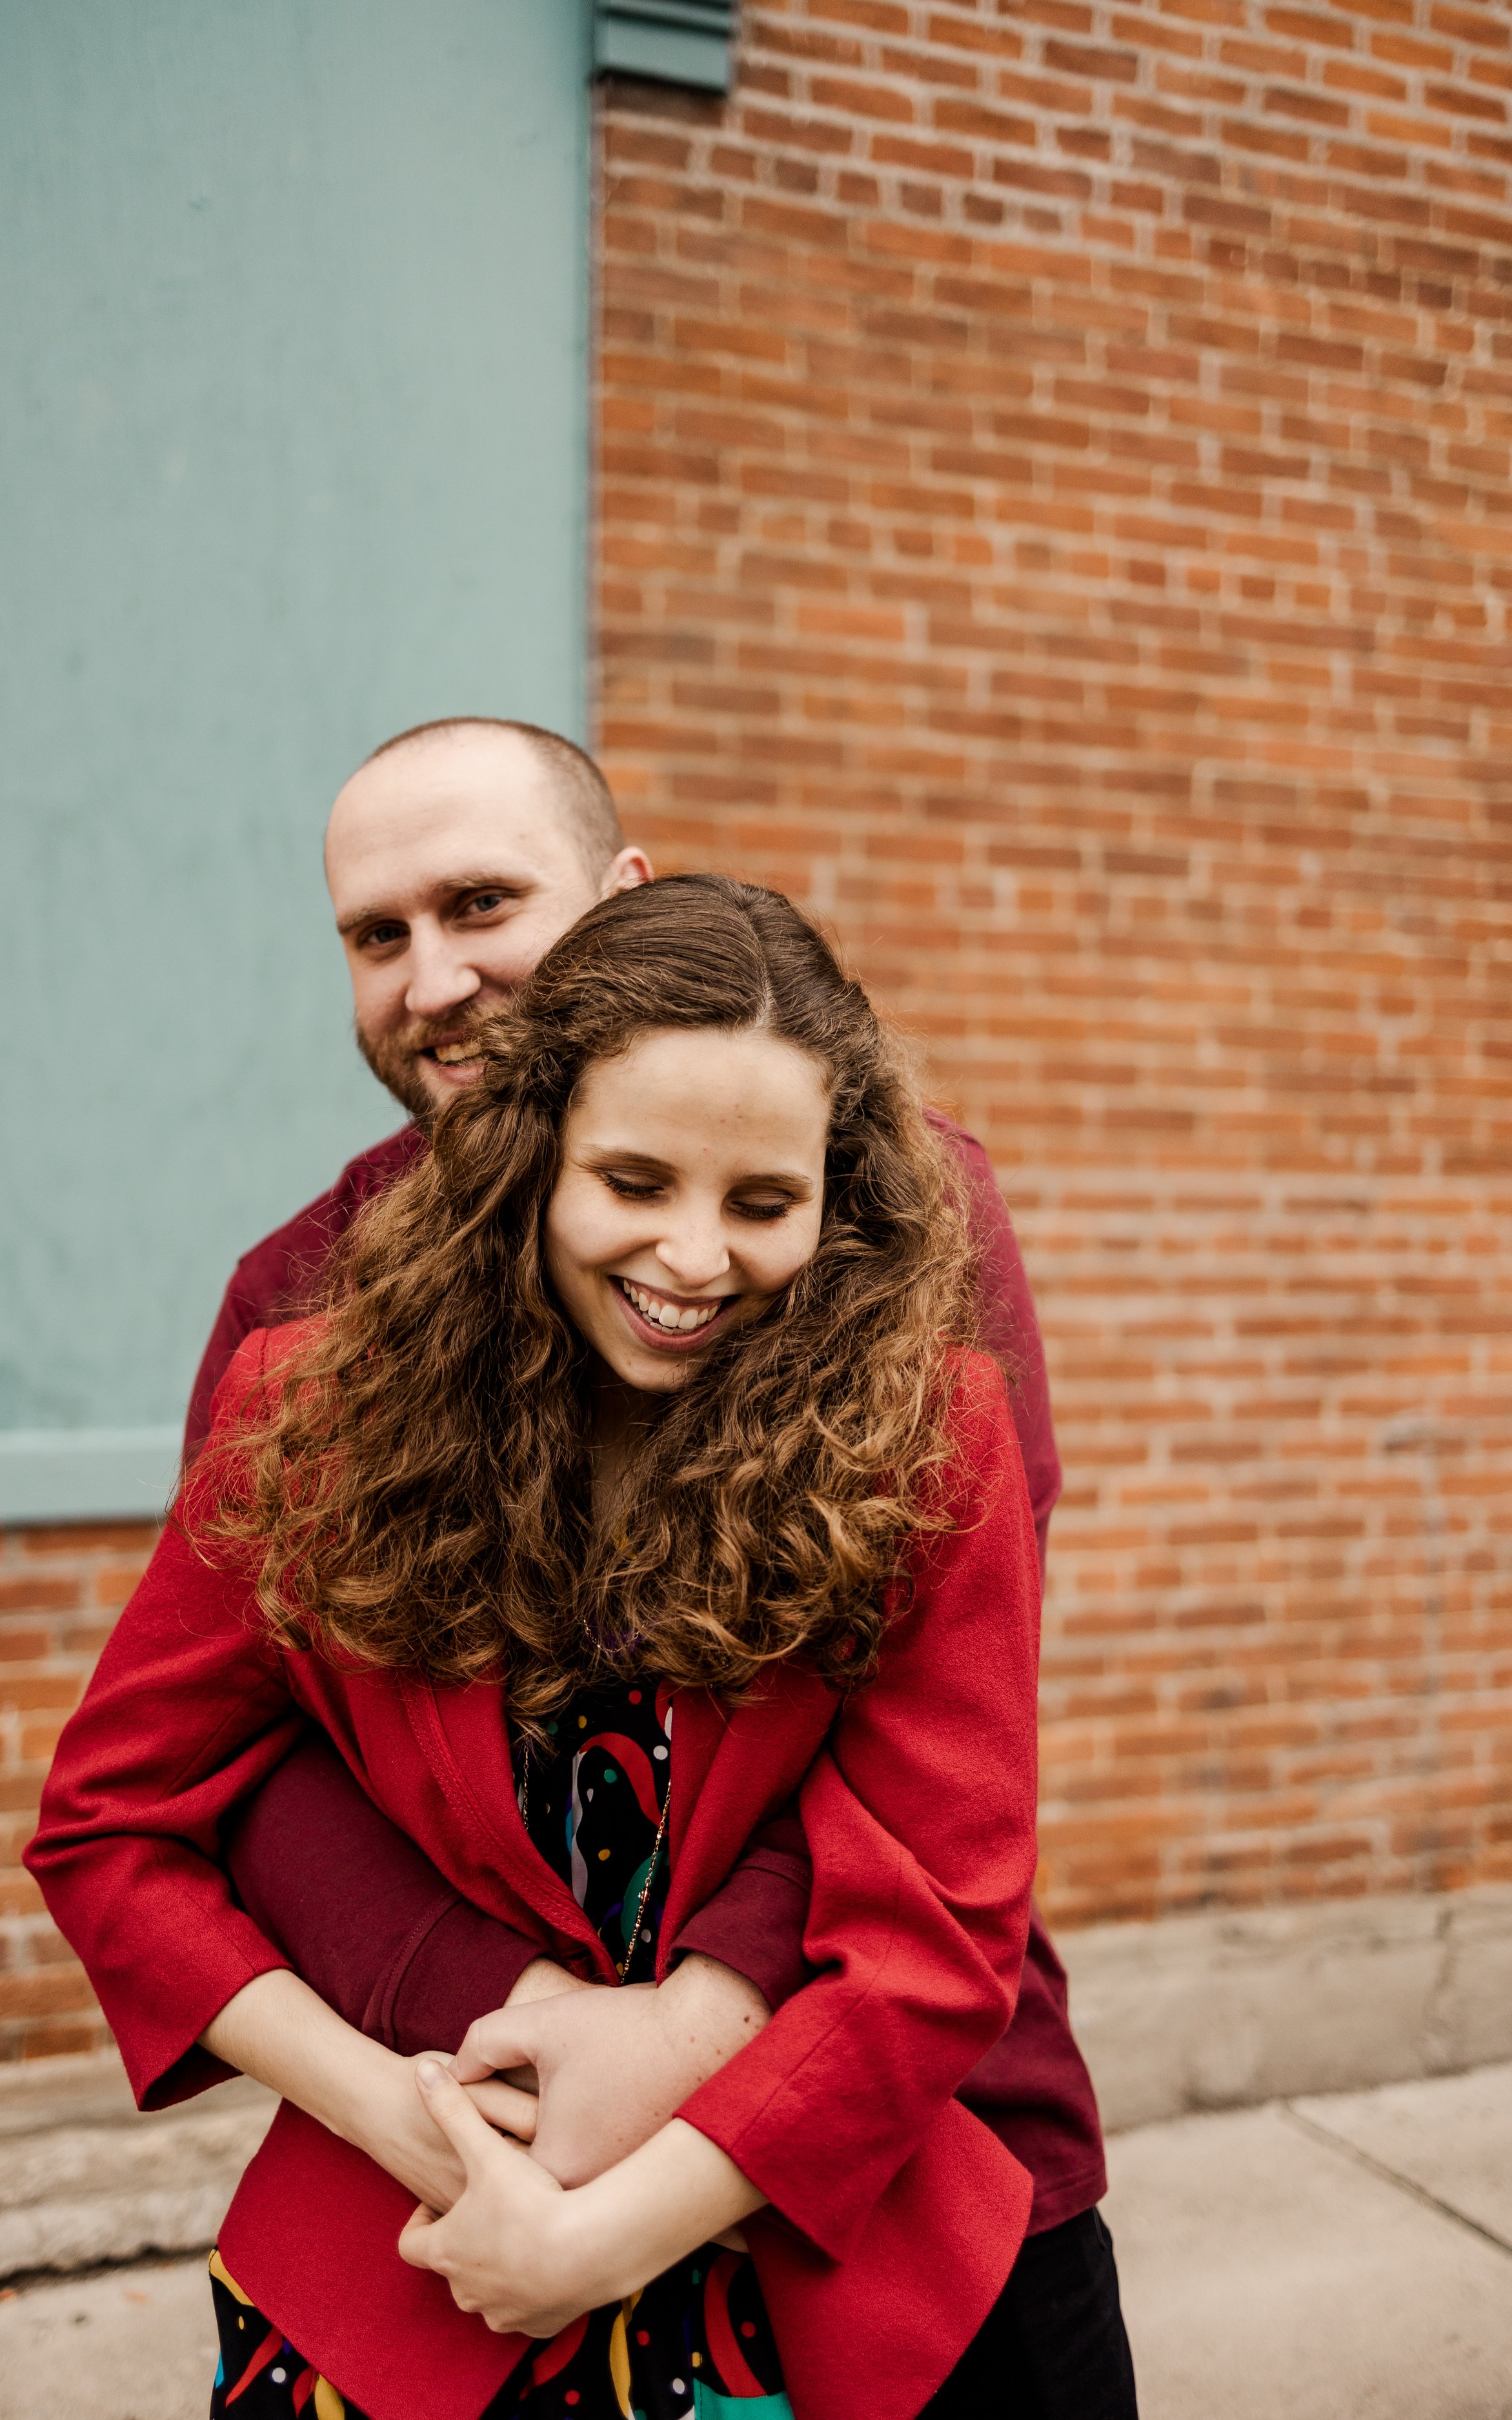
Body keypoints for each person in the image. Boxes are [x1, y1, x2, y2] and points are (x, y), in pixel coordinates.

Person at [178, 717, 1129, 2412]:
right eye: (375, 936)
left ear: (623, 900)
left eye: (481, 903)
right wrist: (520, 2012)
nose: (434, 978)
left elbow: (930, 1712)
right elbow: (242, 1754)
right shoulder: (294, 1309)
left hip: (895, 2140)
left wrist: (697, 2012)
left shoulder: (890, 1212)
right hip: (489, 2138)